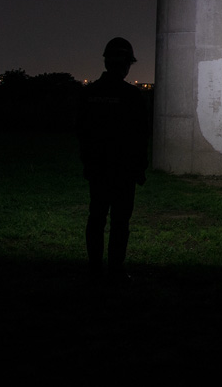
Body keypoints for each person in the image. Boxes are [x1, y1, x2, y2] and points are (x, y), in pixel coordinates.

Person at [78, 37, 150, 285]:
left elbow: (82, 132)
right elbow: (141, 136)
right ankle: (116, 270)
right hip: (124, 170)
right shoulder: (132, 96)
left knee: (96, 218)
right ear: (127, 65)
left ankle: (95, 269)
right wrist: (140, 168)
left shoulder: (90, 94)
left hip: (98, 168)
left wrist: (88, 162)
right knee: (120, 221)